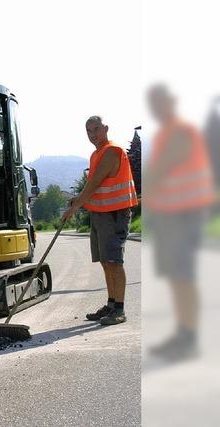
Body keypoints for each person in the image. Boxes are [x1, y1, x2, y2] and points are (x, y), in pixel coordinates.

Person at [144, 85, 216, 360]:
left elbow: (164, 167)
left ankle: (189, 337)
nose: (156, 108)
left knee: (183, 276)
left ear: (171, 102)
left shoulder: (181, 130)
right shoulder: (165, 132)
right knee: (176, 277)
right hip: (171, 214)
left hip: (185, 213)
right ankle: (184, 332)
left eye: (159, 102)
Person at [62, 116, 138, 325]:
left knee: (114, 261)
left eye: (96, 129)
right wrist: (77, 200)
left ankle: (119, 310)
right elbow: (92, 186)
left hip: (114, 214)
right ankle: (111, 304)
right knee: (106, 262)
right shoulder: (96, 154)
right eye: (88, 131)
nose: (93, 134)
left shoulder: (112, 151)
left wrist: (75, 208)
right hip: (101, 214)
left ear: (106, 128)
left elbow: (95, 183)